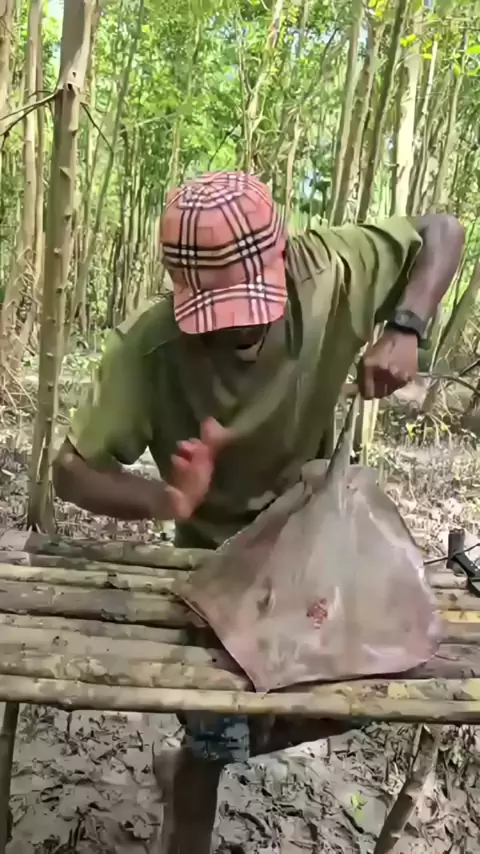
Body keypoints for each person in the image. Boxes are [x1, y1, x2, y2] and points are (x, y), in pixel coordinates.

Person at [53, 171, 464, 853]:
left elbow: (442, 230)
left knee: (361, 697)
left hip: (314, 549)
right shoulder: (150, 350)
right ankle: (191, 786)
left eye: (252, 305)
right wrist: (166, 499)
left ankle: (197, 760)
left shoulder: (330, 274)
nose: (239, 328)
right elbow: (70, 472)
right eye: (216, 317)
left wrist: (407, 325)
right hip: (216, 565)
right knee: (215, 734)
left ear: (282, 259)